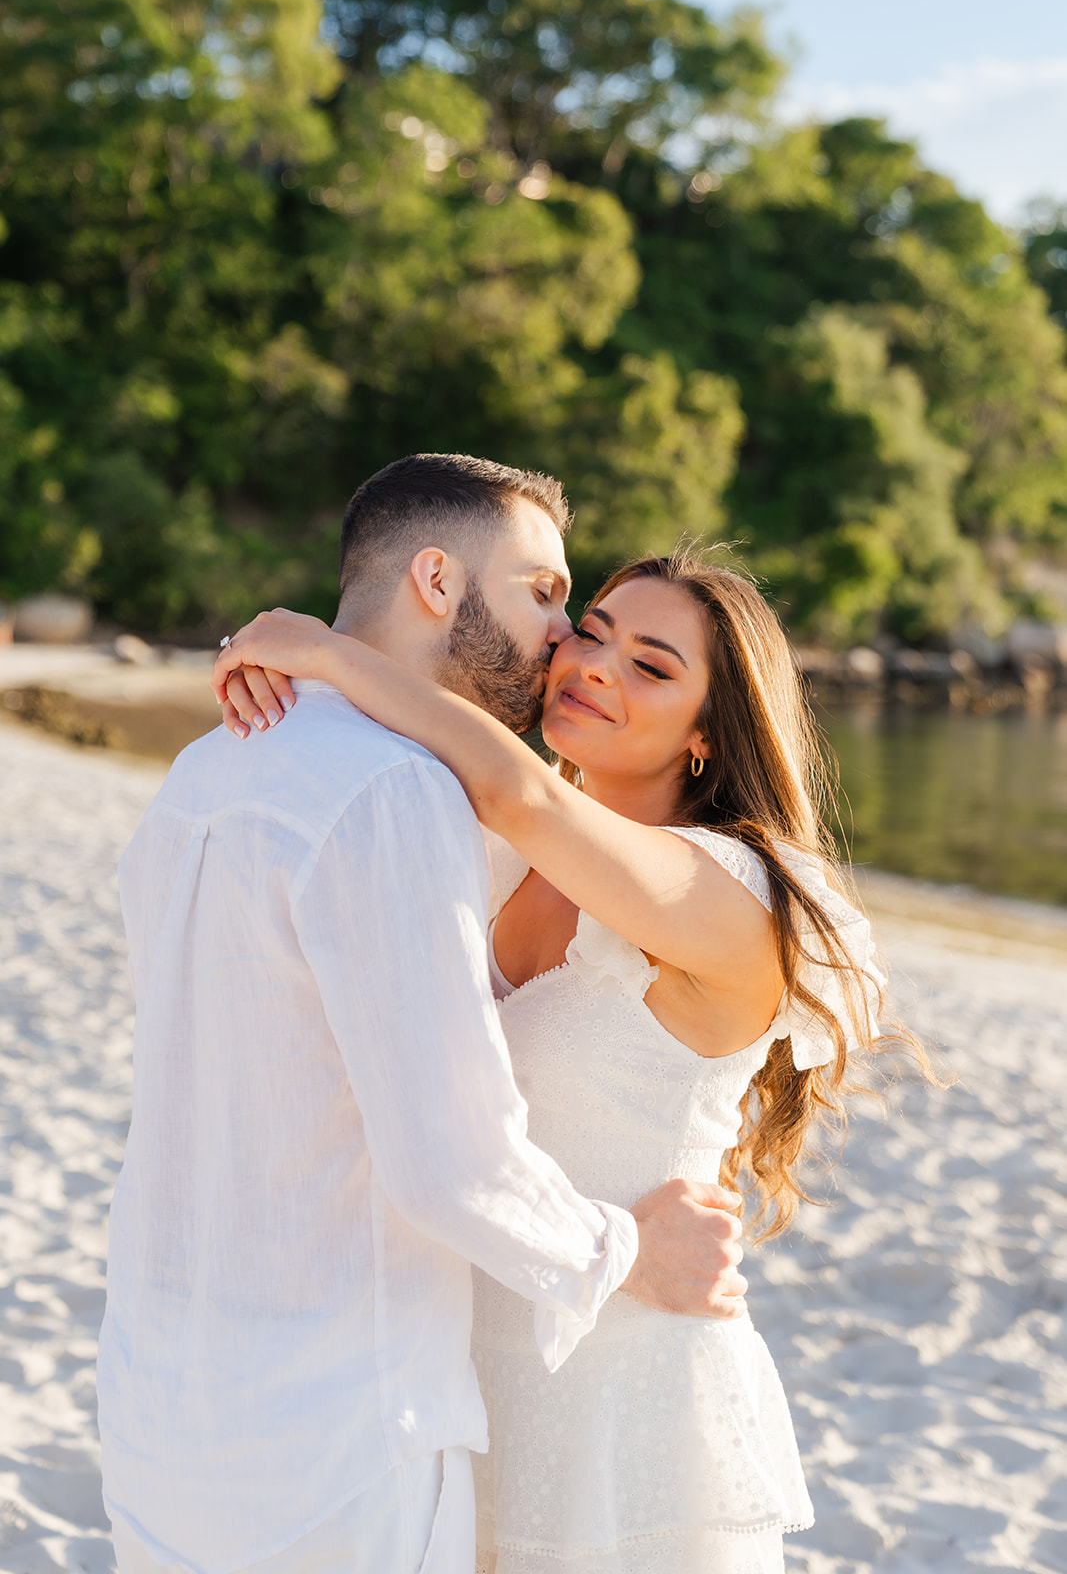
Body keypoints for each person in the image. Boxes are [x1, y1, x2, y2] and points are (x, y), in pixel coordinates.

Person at [213, 547, 934, 1574]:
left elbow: (523, 796)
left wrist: (325, 650)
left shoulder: (732, 894)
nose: (592, 664)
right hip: (454, 1378)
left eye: (650, 665)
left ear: (702, 737)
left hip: (619, 1403)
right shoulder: (502, 861)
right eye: (590, 632)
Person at [97, 455, 750, 1574]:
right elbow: (448, 1161)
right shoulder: (396, 793)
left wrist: (315, 656)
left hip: (159, 1409)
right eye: (548, 595)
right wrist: (622, 1245)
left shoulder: (202, 773)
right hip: (335, 1434)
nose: (562, 639)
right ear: (438, 580)